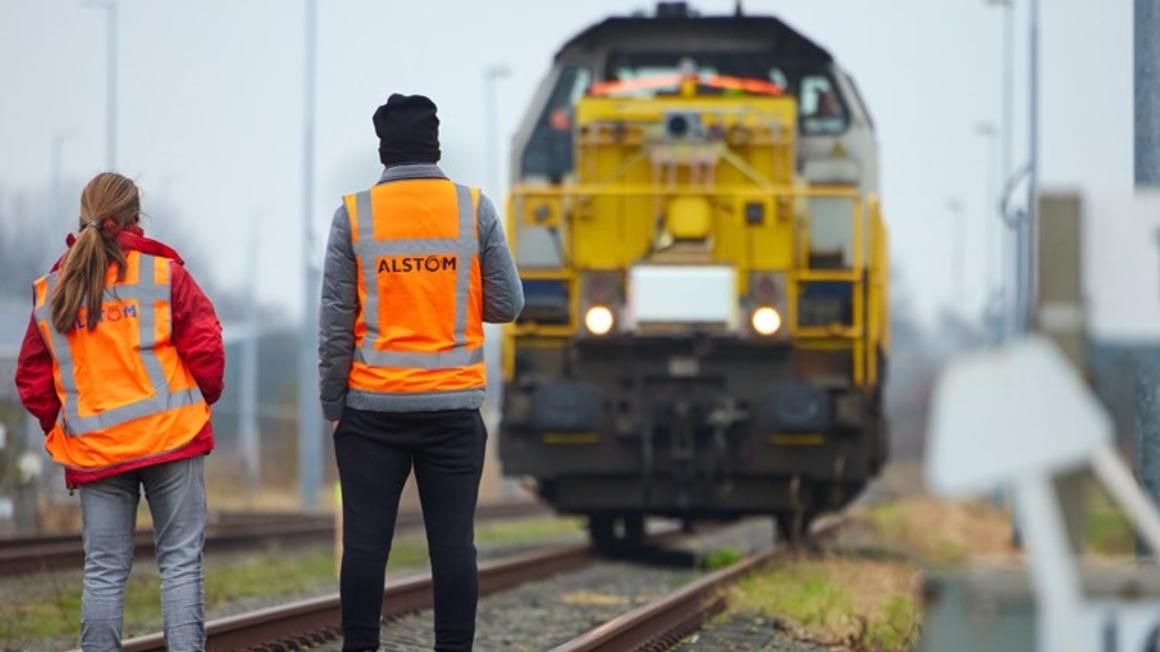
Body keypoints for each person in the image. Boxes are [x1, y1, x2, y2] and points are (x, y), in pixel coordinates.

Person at [318, 93, 524, 652]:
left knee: (364, 547)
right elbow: (508, 304)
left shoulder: (354, 215)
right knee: (454, 547)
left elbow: (336, 326)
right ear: (434, 144)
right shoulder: (473, 209)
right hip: (454, 411)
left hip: (372, 411)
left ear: (384, 149)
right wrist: (447, 292)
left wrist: (334, 408)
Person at [15, 172, 224, 651]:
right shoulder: (162, 274)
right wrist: (199, 401)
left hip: (97, 454)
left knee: (104, 572)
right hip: (173, 439)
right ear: (135, 218)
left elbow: (30, 377)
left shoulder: (53, 293)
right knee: (180, 563)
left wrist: (67, 423)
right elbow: (206, 349)